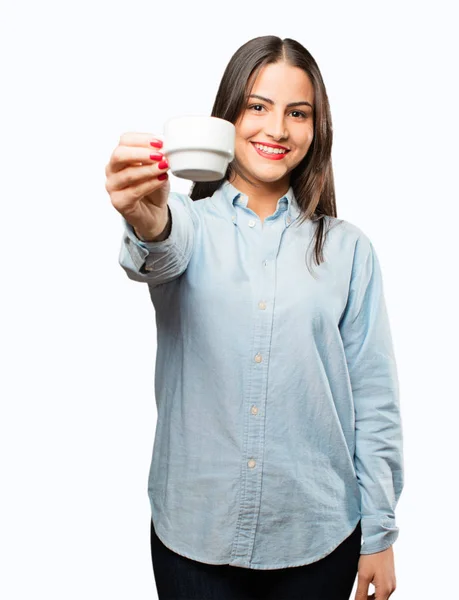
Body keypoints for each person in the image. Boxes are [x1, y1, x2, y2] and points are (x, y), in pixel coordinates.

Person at [105, 35, 404, 600]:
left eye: (298, 112)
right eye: (257, 106)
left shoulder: (348, 250)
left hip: (319, 535)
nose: (277, 129)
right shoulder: (185, 225)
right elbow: (157, 250)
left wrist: (380, 531)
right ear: (228, 117)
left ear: (317, 129)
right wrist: (146, 219)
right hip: (194, 537)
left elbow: (374, 398)